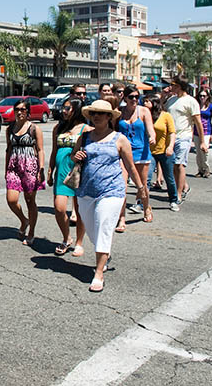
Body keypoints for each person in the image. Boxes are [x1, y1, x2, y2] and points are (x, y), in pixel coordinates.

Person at [72, 100, 147, 293]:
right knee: (92, 229)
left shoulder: (119, 139)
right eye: (94, 113)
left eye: (101, 113)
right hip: (86, 191)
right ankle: (105, 254)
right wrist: (77, 156)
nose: (96, 116)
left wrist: (140, 187)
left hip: (111, 191)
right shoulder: (85, 137)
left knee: (104, 225)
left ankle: (98, 273)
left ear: (109, 117)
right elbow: (74, 156)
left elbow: (130, 166)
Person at [48, 98, 88, 255]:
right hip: (61, 173)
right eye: (63, 108)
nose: (63, 111)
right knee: (59, 208)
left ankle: (79, 242)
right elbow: (53, 151)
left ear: (76, 110)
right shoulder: (58, 128)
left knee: (79, 211)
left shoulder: (86, 129)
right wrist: (50, 171)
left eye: (67, 108)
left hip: (78, 173)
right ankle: (67, 238)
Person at [5, 99, 46, 245]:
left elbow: (40, 150)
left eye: (23, 109)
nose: (20, 112)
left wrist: (41, 169)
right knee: (11, 200)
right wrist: (6, 169)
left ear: (27, 111)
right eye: (17, 109)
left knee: (30, 200)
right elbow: (8, 149)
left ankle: (31, 231)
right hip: (14, 166)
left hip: (30, 166)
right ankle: (24, 220)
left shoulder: (34, 129)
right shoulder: (10, 128)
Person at [116, 86, 155, 228]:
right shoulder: (119, 113)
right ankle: (121, 218)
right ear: (125, 98)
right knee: (122, 187)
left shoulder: (143, 111)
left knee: (142, 185)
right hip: (124, 154)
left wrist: (152, 137)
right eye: (131, 97)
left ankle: (146, 208)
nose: (134, 99)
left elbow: (150, 129)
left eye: (136, 97)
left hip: (141, 152)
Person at [165, 75, 206, 205]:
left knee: (180, 164)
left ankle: (178, 194)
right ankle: (184, 186)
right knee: (172, 166)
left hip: (184, 136)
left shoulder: (191, 101)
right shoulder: (171, 100)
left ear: (180, 86)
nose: (171, 87)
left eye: (173, 85)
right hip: (170, 137)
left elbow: (198, 122)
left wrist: (203, 141)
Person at [144, 94, 178, 215]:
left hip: (165, 152)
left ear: (154, 103)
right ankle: (142, 202)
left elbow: (172, 133)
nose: (144, 104)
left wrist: (170, 147)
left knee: (169, 178)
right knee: (146, 178)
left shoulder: (165, 115)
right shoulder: (144, 116)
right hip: (150, 152)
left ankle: (174, 200)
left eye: (147, 101)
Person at [194, 90, 212, 177]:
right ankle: (200, 170)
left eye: (204, 96)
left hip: (207, 131)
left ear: (208, 96)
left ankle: (206, 168)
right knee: (198, 152)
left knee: (204, 151)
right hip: (196, 132)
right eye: (200, 96)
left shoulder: (211, 107)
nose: (202, 98)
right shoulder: (196, 106)